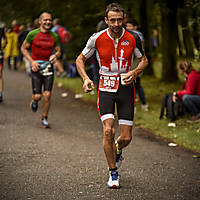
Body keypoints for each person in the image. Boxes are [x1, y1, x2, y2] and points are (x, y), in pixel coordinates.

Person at [76, 3, 148, 188]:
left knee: (126, 138)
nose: (116, 23)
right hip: (106, 87)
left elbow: (144, 61)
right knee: (108, 130)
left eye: (119, 19)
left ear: (123, 19)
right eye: (112, 20)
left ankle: (118, 149)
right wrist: (85, 79)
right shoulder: (97, 38)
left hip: (126, 88)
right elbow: (80, 59)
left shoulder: (133, 38)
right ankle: (113, 172)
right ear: (106, 20)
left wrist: (135, 72)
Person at [21, 12, 61, 128]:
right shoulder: (32, 34)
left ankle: (44, 118)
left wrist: (55, 56)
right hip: (36, 67)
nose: (48, 22)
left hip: (48, 67)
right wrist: (31, 61)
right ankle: (34, 100)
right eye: (45, 20)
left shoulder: (54, 36)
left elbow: (58, 51)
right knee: (38, 96)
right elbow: (23, 48)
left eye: (49, 20)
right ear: (40, 22)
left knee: (47, 95)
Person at [126, 19, 148, 111]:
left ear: (135, 27)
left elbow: (135, 53)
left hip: (135, 65)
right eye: (126, 26)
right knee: (137, 85)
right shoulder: (137, 36)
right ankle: (143, 104)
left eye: (130, 26)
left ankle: (135, 106)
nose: (127, 28)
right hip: (136, 65)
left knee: (133, 86)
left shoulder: (135, 36)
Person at [0, 19, 7, 102]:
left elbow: (6, 40)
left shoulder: (1, 30)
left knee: (0, 73)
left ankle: (0, 94)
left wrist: (4, 44)